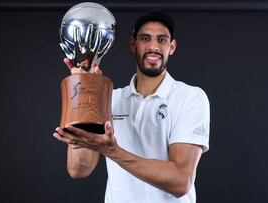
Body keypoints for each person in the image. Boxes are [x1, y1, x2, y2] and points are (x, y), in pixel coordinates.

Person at [53, 10, 210, 203]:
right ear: (133, 44)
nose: (154, 46)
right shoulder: (110, 98)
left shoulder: (190, 97)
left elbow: (180, 181)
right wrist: (83, 87)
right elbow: (79, 169)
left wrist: (113, 151)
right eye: (145, 38)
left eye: (162, 40)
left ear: (172, 47)